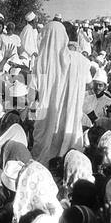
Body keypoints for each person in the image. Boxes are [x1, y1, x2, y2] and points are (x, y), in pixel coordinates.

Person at [31, 21, 91, 166]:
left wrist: (32, 119)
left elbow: (32, 96)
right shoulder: (78, 60)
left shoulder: (39, 63)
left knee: (42, 158)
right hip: (69, 119)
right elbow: (89, 81)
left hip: (45, 121)